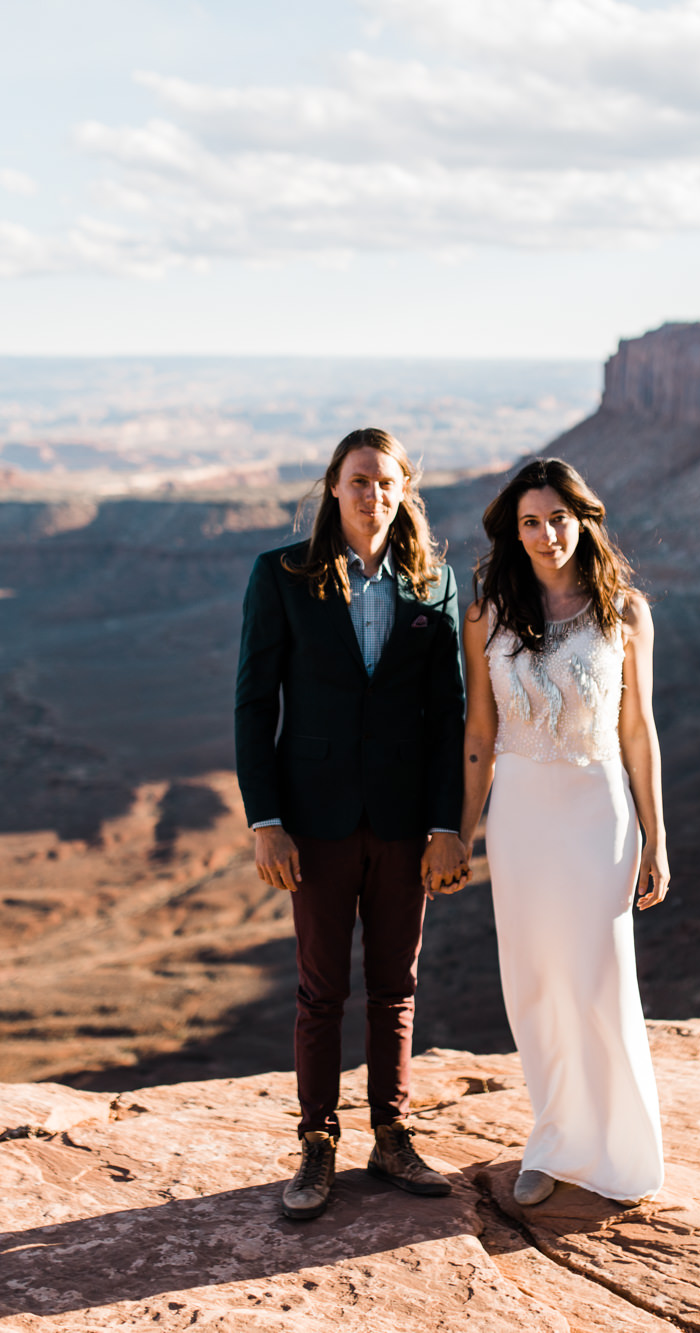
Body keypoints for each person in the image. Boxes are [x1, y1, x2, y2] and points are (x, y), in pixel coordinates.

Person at [234, 427, 468, 1222]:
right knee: (321, 989)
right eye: (359, 479)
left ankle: (392, 1133)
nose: (373, 493)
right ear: (333, 486)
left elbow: (451, 716)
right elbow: (253, 703)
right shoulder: (283, 576)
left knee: (395, 987)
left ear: (404, 492)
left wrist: (448, 825)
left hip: (406, 824)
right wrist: (266, 819)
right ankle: (317, 1140)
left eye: (387, 481)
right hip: (318, 821)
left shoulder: (433, 583)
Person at [440, 456, 670, 1208]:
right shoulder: (486, 614)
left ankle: (620, 1148)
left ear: (584, 519)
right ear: (515, 530)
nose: (546, 535)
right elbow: (479, 734)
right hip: (522, 818)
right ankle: (556, 1140)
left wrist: (658, 838)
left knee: (600, 978)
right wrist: (460, 832)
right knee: (536, 982)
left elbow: (639, 732)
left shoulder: (626, 611)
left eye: (558, 519)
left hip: (600, 813)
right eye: (531, 522)